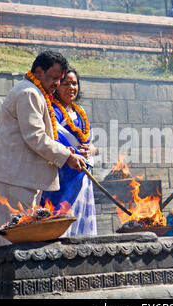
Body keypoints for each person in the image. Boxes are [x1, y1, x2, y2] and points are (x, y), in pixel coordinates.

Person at [0, 51, 86, 246]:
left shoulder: (37, 92)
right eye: (54, 78)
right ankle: (7, 275)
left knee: (20, 235)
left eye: (60, 79)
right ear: (39, 72)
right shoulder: (29, 93)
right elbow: (35, 136)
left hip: (21, 177)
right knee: (12, 236)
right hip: (13, 177)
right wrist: (67, 156)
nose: (57, 84)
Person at [41, 68, 98, 236]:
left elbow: (89, 143)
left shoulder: (80, 113)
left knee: (82, 222)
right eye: (66, 84)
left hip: (83, 176)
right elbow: (52, 139)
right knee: (61, 222)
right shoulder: (52, 111)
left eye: (74, 83)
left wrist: (93, 150)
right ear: (57, 86)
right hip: (63, 176)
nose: (71, 88)